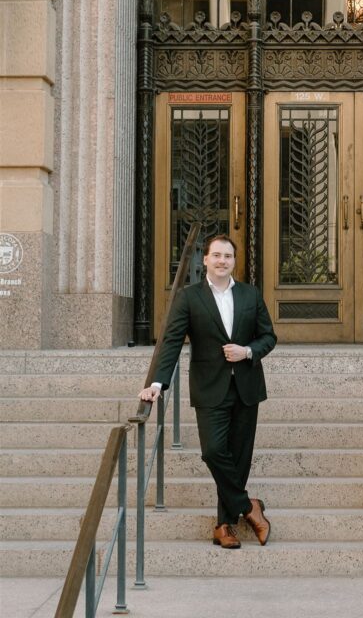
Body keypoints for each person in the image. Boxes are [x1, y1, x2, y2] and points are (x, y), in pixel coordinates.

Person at [139, 233, 276, 550]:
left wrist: (248, 352)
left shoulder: (250, 295)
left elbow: (268, 337)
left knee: (239, 459)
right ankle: (249, 507)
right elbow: (172, 341)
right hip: (209, 388)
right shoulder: (189, 298)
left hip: (246, 387)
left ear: (234, 261)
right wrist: (157, 384)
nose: (222, 261)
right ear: (205, 260)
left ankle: (224, 525)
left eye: (228, 256)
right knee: (214, 451)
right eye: (216, 255)